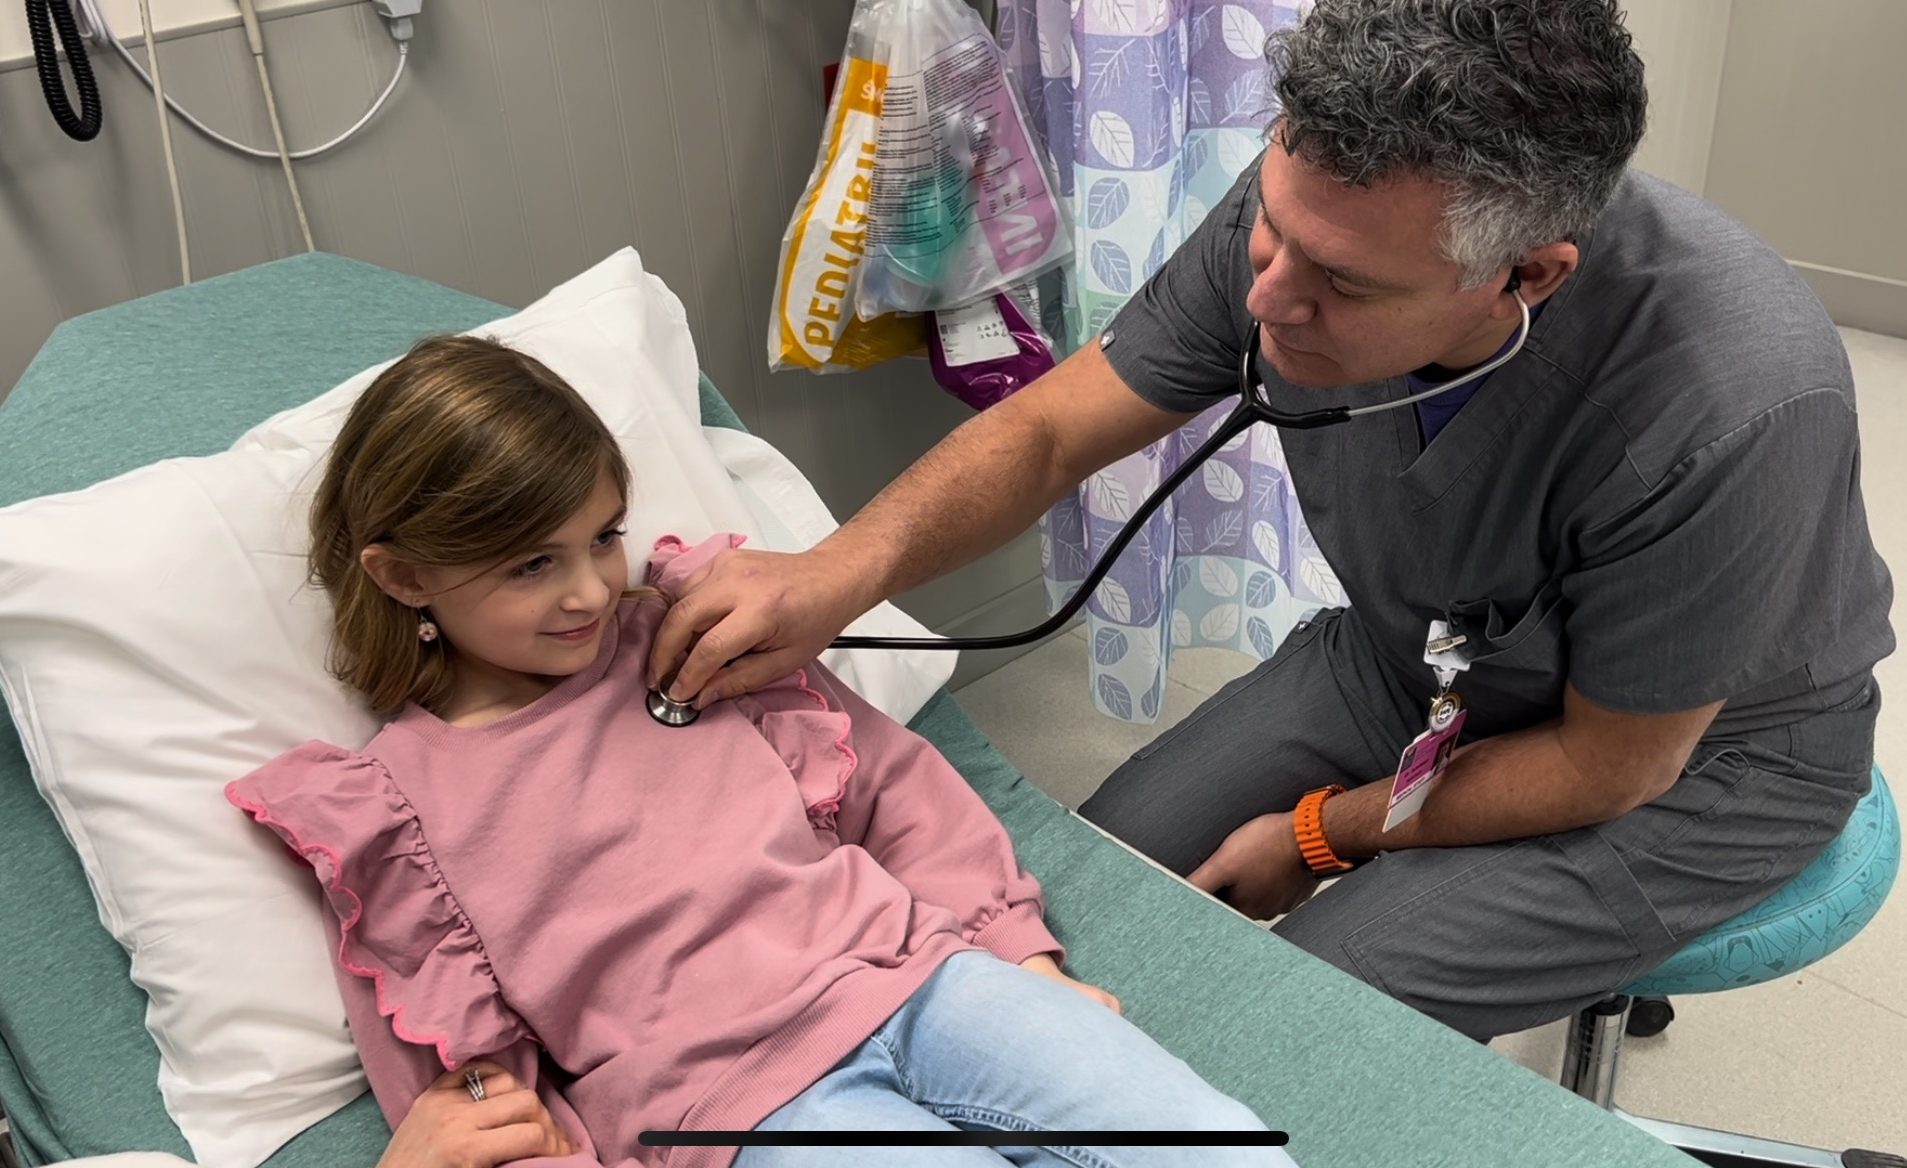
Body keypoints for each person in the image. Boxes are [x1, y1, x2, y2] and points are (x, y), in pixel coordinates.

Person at [650, 0, 1894, 1042]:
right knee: (1071, 907)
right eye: (1272, 230)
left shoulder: (1732, 401)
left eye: (1339, 285)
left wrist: (1320, 833)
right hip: (1417, 662)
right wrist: (834, 573)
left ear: (1526, 275)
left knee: (1290, 1015)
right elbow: (1048, 428)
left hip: (1699, 767)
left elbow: (1605, 764)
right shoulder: (1319, 210)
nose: (1266, 295)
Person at [227, 335, 1291, 1168]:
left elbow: (896, 789)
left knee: (1217, 1137)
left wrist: (1021, 953)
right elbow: (474, 1099)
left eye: (603, 536)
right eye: (530, 565)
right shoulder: (395, 817)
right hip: (739, 1110)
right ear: (405, 576)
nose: (592, 590)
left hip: (922, 983)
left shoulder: (695, 636)